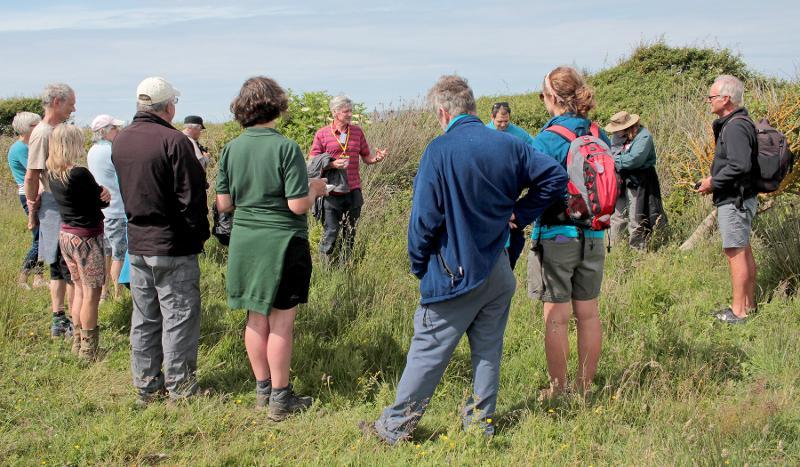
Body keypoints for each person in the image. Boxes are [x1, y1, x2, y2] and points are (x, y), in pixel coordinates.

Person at [360, 75, 567, 444]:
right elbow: (555, 175)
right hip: (498, 268)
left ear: (443, 112)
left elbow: (424, 220)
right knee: (487, 351)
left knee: (428, 350)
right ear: (472, 107)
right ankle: (479, 426)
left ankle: (394, 428)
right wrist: (521, 212)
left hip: (454, 271)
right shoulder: (510, 145)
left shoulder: (439, 151)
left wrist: (419, 264)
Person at [216, 76, 328, 421]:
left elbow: (224, 203)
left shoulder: (231, 148)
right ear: (276, 105)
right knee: (281, 322)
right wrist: (316, 188)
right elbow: (297, 205)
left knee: (255, 317)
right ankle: (281, 399)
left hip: (245, 243)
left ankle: (262, 391)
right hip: (282, 242)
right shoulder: (285, 147)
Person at [112, 76, 210, 404]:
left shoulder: (121, 140)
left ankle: (146, 385)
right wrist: (199, 235)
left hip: (138, 241)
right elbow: (191, 197)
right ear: (168, 106)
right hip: (172, 244)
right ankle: (181, 388)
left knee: (145, 317)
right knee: (179, 317)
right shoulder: (175, 141)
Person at [527, 66, 610, 398]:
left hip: (556, 235)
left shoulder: (547, 139)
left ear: (552, 97)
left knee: (557, 317)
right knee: (588, 314)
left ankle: (559, 390)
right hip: (594, 233)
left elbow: (534, 186)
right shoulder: (598, 134)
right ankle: (585, 387)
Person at [696, 75, 758, 324]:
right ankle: (748, 305)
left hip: (735, 199)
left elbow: (739, 165)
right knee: (742, 250)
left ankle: (738, 312)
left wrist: (712, 182)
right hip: (740, 197)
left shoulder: (734, 127)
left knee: (735, 252)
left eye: (711, 97)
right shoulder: (739, 123)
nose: (708, 101)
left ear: (726, 98)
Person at [47, 124, 111, 359]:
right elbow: (101, 201)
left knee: (79, 290)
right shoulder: (79, 173)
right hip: (87, 237)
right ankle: (89, 348)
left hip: (66, 234)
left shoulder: (53, 173)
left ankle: (77, 339)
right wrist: (104, 192)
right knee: (92, 294)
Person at [23, 83, 77, 338]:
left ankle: (63, 319)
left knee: (61, 265)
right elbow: (32, 175)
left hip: (59, 203)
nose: (73, 109)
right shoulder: (43, 133)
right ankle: (67, 320)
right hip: (54, 205)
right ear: (57, 102)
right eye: (70, 104)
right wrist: (32, 207)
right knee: (65, 265)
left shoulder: (55, 130)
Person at [309, 95, 387, 262]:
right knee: (331, 231)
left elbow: (366, 157)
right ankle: (325, 268)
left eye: (351, 111)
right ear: (335, 112)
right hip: (330, 191)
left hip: (353, 189)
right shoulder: (322, 134)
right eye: (346, 111)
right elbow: (313, 162)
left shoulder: (357, 132)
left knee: (350, 232)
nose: (350, 114)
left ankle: (346, 266)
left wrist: (377, 158)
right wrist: (332, 164)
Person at [605, 111, 667, 250]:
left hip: (639, 179)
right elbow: (612, 151)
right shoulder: (617, 137)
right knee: (617, 215)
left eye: (618, 129)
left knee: (636, 215)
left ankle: (638, 249)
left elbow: (634, 160)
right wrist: (614, 159)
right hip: (620, 178)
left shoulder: (644, 136)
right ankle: (614, 248)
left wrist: (612, 159)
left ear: (627, 127)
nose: (615, 133)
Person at [87, 114, 127, 301]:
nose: (118, 131)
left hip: (102, 210)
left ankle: (104, 292)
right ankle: (118, 295)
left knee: (106, 252)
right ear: (105, 131)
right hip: (117, 208)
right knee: (119, 254)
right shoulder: (112, 151)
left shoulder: (92, 150)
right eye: (114, 128)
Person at [7, 111, 46, 289]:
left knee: (43, 236)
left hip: (38, 193)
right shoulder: (20, 149)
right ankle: (23, 278)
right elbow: (36, 172)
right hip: (30, 195)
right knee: (40, 238)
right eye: (36, 125)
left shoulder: (29, 145)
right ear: (27, 128)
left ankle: (38, 277)